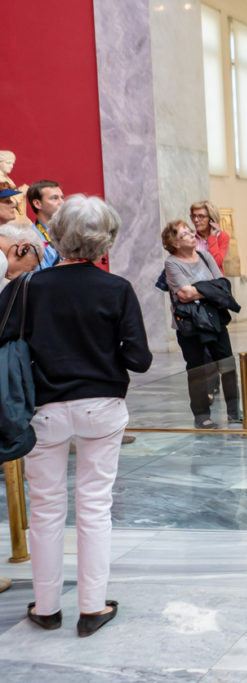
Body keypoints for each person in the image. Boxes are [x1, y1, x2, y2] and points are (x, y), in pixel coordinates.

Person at [0, 195, 152, 637]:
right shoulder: (116, 288)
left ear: (58, 238)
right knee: (93, 508)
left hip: (42, 409)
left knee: (45, 511)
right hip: (101, 407)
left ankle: (46, 607)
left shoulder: (26, 287)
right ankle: (91, 607)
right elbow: (139, 360)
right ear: (105, 241)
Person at [162, 220, 243, 428]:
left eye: (190, 232)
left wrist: (199, 290)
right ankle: (201, 416)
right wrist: (209, 289)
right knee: (197, 369)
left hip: (214, 319)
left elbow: (223, 285)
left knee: (227, 365)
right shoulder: (172, 263)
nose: (192, 235)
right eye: (185, 234)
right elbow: (184, 294)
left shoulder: (205, 257)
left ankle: (235, 412)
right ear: (176, 243)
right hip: (190, 325)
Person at [25, 180, 64, 269]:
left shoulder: (70, 233)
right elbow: (37, 278)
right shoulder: (30, 238)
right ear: (37, 204)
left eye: (62, 197)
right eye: (54, 198)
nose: (61, 203)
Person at [189, 200, 230, 270]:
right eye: (193, 216)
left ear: (211, 219)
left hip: (214, 280)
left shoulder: (222, 237)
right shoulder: (189, 237)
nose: (195, 220)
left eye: (200, 216)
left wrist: (212, 237)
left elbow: (216, 263)